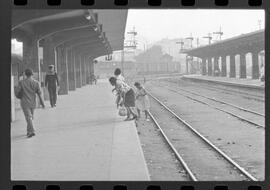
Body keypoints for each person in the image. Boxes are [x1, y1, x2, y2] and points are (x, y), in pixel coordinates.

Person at [16, 68, 45, 138]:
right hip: (33, 102)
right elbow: (39, 94)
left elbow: (17, 92)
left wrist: (18, 95)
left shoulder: (21, 82)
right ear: (32, 74)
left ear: (25, 74)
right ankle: (29, 131)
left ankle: (32, 130)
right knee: (30, 117)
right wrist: (42, 103)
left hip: (24, 102)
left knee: (28, 117)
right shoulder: (36, 83)